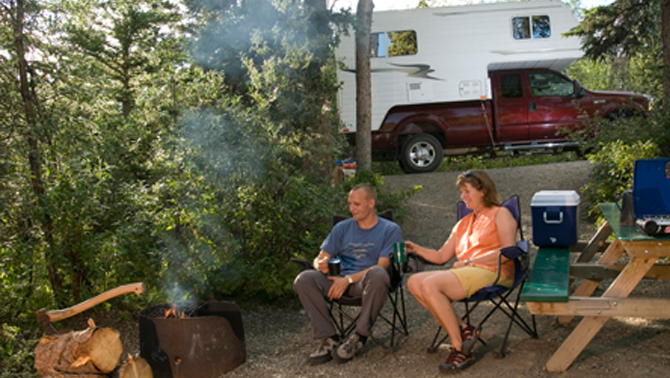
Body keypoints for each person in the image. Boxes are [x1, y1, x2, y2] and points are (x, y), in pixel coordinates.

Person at [405, 170, 517, 372]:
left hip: (494, 271)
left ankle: (459, 348)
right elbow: (441, 256)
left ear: (482, 190)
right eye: (461, 192)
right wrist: (416, 248)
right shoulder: (463, 224)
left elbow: (508, 251)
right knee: (413, 281)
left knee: (430, 284)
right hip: (467, 272)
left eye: (466, 191)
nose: (462, 197)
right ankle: (465, 330)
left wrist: (469, 261)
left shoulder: (501, 214)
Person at [293, 183, 403, 365]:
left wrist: (348, 280)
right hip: (337, 282)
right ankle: (329, 338)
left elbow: (382, 265)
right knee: (304, 279)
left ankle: (359, 337)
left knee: (378, 273)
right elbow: (320, 257)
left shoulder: (390, 229)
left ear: (371, 203)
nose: (352, 208)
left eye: (357, 204)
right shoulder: (342, 228)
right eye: (350, 203)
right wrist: (320, 264)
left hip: (366, 284)